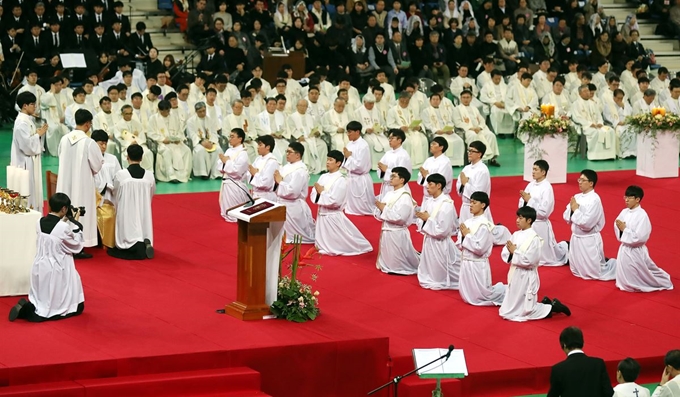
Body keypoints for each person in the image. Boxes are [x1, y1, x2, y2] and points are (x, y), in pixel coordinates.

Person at [8, 193, 86, 322]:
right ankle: (25, 311)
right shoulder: (63, 228)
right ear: (64, 209)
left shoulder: (39, 222)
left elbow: (54, 233)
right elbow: (76, 245)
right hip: (57, 269)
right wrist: (76, 220)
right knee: (62, 309)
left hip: (39, 266)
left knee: (42, 299)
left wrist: (65, 221)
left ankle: (29, 306)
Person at [499, 206, 571, 321]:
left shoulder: (534, 238)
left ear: (529, 220)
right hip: (515, 272)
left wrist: (515, 252)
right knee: (509, 308)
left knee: (526, 310)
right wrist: (512, 253)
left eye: (521, 218)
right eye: (517, 217)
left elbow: (531, 261)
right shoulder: (515, 235)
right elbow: (505, 252)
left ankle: (552, 307)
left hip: (527, 275)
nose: (517, 220)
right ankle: (544, 303)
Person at [56, 109, 104, 256]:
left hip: (65, 182)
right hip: (82, 184)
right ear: (88, 124)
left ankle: (63, 240)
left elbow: (59, 156)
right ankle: (79, 245)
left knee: (65, 209)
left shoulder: (64, 139)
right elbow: (97, 165)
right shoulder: (89, 143)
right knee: (80, 211)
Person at [611, 186, 673, 292]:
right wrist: (620, 228)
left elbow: (640, 237)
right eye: (625, 197)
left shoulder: (642, 216)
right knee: (625, 276)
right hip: (624, 248)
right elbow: (617, 225)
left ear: (637, 199)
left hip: (636, 251)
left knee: (641, 274)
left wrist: (624, 230)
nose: (626, 200)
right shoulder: (624, 212)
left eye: (629, 198)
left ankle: (661, 281)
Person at [311, 150, 373, 256]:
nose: (327, 162)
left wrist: (321, 192)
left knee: (342, 241)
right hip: (322, 213)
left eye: (331, 160)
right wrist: (318, 193)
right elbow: (314, 193)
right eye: (327, 159)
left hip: (332, 215)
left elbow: (335, 200)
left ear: (338, 163)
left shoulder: (341, 179)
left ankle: (356, 245)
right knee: (323, 242)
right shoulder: (323, 176)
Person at [563, 169, 616, 281]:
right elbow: (565, 215)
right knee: (576, 269)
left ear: (591, 183)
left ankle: (617, 267)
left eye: (583, 180)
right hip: (576, 238)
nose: (579, 182)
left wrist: (575, 210)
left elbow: (587, 223)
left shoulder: (595, 200)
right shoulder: (577, 197)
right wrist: (572, 211)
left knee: (594, 272)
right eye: (579, 179)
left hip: (588, 239)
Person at [456, 141, 511, 246]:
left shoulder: (482, 170)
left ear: (480, 154)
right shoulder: (466, 168)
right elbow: (459, 187)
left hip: (478, 207)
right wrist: (462, 185)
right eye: (469, 150)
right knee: (464, 233)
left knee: (481, 236)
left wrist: (466, 184)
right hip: (466, 205)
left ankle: (503, 233)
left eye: (472, 151)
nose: (469, 153)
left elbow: (479, 194)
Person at [457, 191, 507, 306]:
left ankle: (510, 292)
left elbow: (480, 248)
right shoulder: (467, 222)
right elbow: (460, 244)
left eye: (474, 202)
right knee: (469, 295)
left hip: (477, 264)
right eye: (470, 202)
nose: (471, 205)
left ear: (483, 205)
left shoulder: (485, 225)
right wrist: (464, 238)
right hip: (466, 261)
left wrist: (467, 236)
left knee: (483, 295)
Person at [107, 145, 155, 260]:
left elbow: (116, 193)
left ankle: (128, 244)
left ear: (127, 157)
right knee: (142, 225)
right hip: (143, 210)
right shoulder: (149, 176)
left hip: (127, 210)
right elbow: (151, 193)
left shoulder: (121, 175)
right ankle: (143, 242)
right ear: (141, 158)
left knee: (128, 227)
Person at [416, 173, 461, 290]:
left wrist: (427, 220)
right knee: (430, 268)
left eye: (430, 184)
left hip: (440, 242)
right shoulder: (429, 201)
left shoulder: (446, 204)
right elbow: (421, 220)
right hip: (429, 239)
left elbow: (444, 229)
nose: (427, 186)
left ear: (439, 186)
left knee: (442, 271)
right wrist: (423, 220)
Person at [519, 160, 569, 266]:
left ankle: (564, 251)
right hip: (528, 223)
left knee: (545, 254)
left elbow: (544, 211)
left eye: (536, 169)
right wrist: (524, 201)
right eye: (533, 169)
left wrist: (530, 200)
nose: (533, 172)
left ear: (543, 172)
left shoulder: (547, 188)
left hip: (539, 223)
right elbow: (522, 203)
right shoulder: (530, 185)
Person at [374, 166, 420, 275]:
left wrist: (383, 208)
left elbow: (401, 217)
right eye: (391, 176)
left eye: (394, 176)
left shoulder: (405, 196)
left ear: (402, 180)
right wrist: (380, 209)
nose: (390, 178)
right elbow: (379, 212)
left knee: (398, 262)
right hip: (387, 229)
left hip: (397, 232)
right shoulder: (389, 194)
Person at [547, 326, 615, 397]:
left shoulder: (558, 369)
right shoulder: (598, 364)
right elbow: (608, 392)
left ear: (564, 345)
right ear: (582, 342)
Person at [11, 92, 48, 212]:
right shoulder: (21, 123)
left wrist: (37, 133)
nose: (35, 107)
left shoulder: (27, 120)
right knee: (28, 190)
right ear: (25, 106)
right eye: (32, 104)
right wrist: (39, 134)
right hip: (25, 162)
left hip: (30, 161)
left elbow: (29, 137)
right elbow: (27, 146)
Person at [275, 142, 315, 244]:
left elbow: (293, 192)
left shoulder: (300, 170)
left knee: (293, 238)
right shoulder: (287, 166)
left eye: (289, 152)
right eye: (286, 152)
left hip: (293, 205)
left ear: (298, 155)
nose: (287, 154)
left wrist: (280, 182)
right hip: (282, 203)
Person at [148, 100, 192, 183]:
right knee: (167, 152)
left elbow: (180, 131)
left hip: (175, 143)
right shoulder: (153, 118)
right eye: (164, 111)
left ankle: (184, 175)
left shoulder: (174, 117)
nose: (166, 113)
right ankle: (171, 176)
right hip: (162, 144)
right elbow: (150, 133)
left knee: (187, 150)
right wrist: (162, 139)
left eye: (168, 110)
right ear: (160, 110)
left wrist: (178, 138)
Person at [92, 130, 121, 249]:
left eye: (105, 143)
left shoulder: (112, 159)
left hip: (111, 195)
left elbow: (118, 177)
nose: (104, 146)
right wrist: (103, 187)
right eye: (101, 144)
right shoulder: (90, 158)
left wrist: (113, 187)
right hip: (95, 197)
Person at [217, 128, 251, 222]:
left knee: (234, 213)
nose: (229, 139)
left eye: (232, 137)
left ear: (240, 139)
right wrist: (224, 163)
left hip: (235, 183)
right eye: (229, 136)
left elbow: (237, 171)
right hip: (226, 181)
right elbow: (219, 165)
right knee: (226, 210)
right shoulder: (229, 150)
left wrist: (226, 162)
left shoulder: (243, 154)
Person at [342, 121, 375, 216]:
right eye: (347, 132)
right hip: (351, 177)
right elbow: (346, 161)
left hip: (360, 178)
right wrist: (344, 157)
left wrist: (349, 157)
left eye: (350, 132)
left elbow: (360, 166)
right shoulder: (349, 144)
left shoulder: (363, 145)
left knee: (364, 205)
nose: (348, 134)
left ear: (357, 132)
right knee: (351, 206)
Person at [187, 102, 223, 179]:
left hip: (210, 142)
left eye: (204, 111)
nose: (203, 113)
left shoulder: (210, 120)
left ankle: (216, 173)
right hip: (198, 143)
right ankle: (204, 173)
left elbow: (214, 133)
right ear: (196, 112)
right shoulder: (190, 121)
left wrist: (211, 142)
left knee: (218, 150)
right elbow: (192, 135)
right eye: (200, 111)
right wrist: (202, 142)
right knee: (201, 151)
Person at [417, 137, 453, 209]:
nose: (431, 145)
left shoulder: (445, 162)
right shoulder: (429, 160)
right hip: (427, 197)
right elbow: (420, 176)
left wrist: (426, 176)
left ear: (441, 147)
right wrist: (423, 176)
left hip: (439, 198)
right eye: (431, 144)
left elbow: (441, 180)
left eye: (434, 144)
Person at [377, 129, 412, 200]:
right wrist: (382, 170)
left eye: (392, 138)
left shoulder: (403, 155)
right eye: (389, 138)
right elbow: (381, 168)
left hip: (398, 188)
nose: (389, 140)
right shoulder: (388, 153)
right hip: (387, 186)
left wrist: (386, 170)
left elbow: (402, 174)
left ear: (399, 140)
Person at [250, 135, 280, 202]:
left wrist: (255, 174)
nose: (257, 147)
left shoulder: (272, 162)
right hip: (256, 194)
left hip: (266, 196)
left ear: (268, 147)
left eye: (260, 145)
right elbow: (249, 175)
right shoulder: (258, 159)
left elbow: (266, 183)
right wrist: (251, 173)